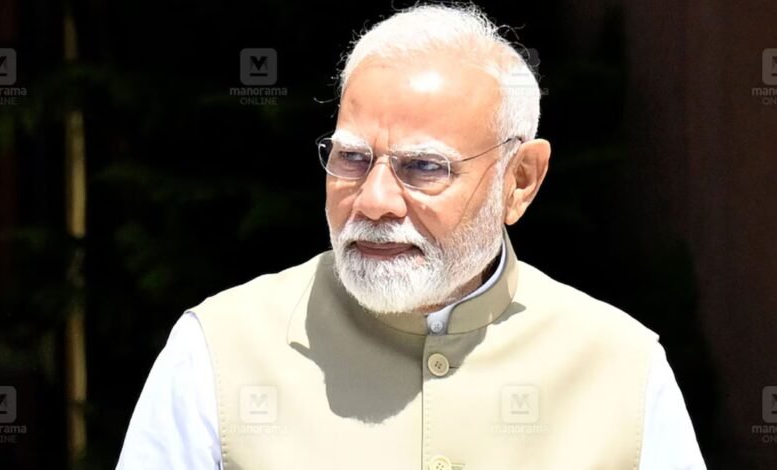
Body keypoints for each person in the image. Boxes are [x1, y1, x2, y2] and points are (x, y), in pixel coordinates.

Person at [116, 4, 706, 469]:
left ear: (519, 181)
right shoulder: (218, 351)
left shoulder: (622, 367)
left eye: (424, 167)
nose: (373, 201)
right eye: (351, 158)